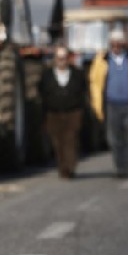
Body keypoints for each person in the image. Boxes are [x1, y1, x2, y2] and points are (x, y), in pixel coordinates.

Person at [89, 27, 128, 178]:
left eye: (119, 43)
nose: (116, 46)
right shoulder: (101, 60)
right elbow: (95, 83)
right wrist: (97, 105)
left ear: (123, 43)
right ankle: (120, 167)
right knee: (114, 138)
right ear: (110, 43)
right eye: (113, 43)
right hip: (111, 104)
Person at [39, 45, 86, 178]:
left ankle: (70, 167)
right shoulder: (47, 76)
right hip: (53, 114)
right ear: (55, 60)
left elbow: (82, 91)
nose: (62, 61)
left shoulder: (77, 74)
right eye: (59, 59)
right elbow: (42, 92)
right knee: (57, 142)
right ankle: (62, 166)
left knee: (70, 140)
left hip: (73, 112)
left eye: (64, 58)